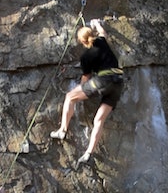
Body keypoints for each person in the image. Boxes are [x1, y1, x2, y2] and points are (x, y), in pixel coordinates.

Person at [50, 19, 124, 164]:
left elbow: (86, 78)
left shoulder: (86, 57)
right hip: (118, 83)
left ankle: (62, 130)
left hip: (103, 80)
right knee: (99, 120)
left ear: (82, 42)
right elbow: (103, 33)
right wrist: (96, 23)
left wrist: (82, 90)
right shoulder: (102, 42)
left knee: (70, 97)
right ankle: (88, 153)